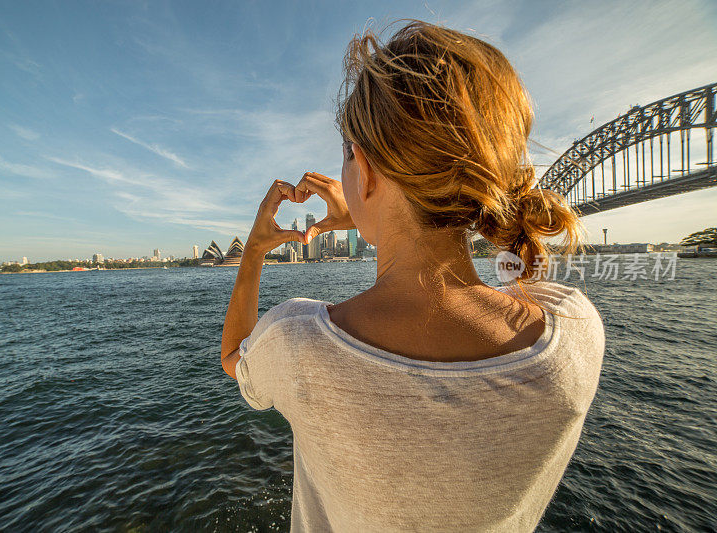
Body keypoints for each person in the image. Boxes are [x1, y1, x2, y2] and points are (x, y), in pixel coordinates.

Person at [220, 19, 605, 533]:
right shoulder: (574, 334)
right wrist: (364, 209)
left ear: (366, 168)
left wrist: (256, 249)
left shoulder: (297, 342)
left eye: (348, 160)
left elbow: (234, 355)